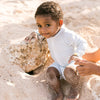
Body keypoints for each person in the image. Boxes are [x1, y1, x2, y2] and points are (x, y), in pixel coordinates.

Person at [25, 1, 88, 100]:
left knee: (69, 72)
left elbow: (83, 43)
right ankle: (59, 93)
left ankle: (75, 88)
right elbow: (42, 31)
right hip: (58, 63)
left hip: (70, 63)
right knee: (50, 73)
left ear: (60, 23)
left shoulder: (67, 34)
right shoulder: (49, 32)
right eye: (39, 25)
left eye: (47, 25)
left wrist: (77, 54)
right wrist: (35, 33)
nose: (43, 30)